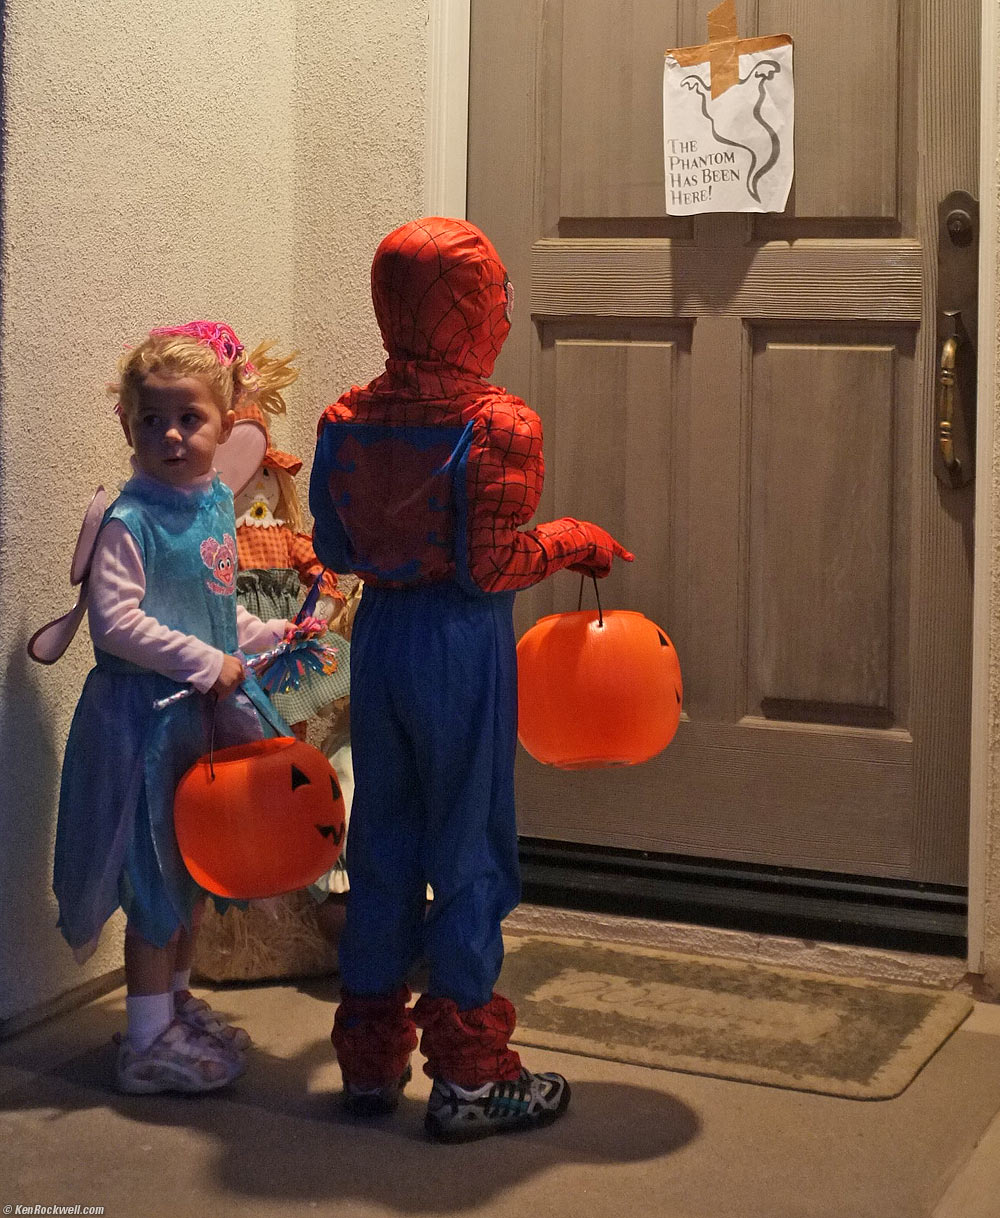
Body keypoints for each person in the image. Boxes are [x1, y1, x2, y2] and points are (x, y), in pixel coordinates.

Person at [309, 216, 633, 1141]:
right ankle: (472, 1075)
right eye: (493, 293)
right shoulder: (499, 425)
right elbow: (493, 566)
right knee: (470, 845)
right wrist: (574, 541)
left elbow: (335, 547)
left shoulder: (345, 418)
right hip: (460, 646)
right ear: (476, 311)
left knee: (382, 837)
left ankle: (370, 1062)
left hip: (381, 639)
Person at [51, 320, 319, 1094]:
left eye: (188, 418)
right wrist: (208, 663)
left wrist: (261, 635)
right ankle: (144, 1042)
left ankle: (173, 1006)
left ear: (226, 422)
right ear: (128, 426)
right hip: (141, 723)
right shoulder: (130, 521)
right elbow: (119, 624)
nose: (169, 435)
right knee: (153, 880)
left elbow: (207, 607)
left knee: (191, 868)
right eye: (151, 421)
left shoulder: (207, 508)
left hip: (190, 719)